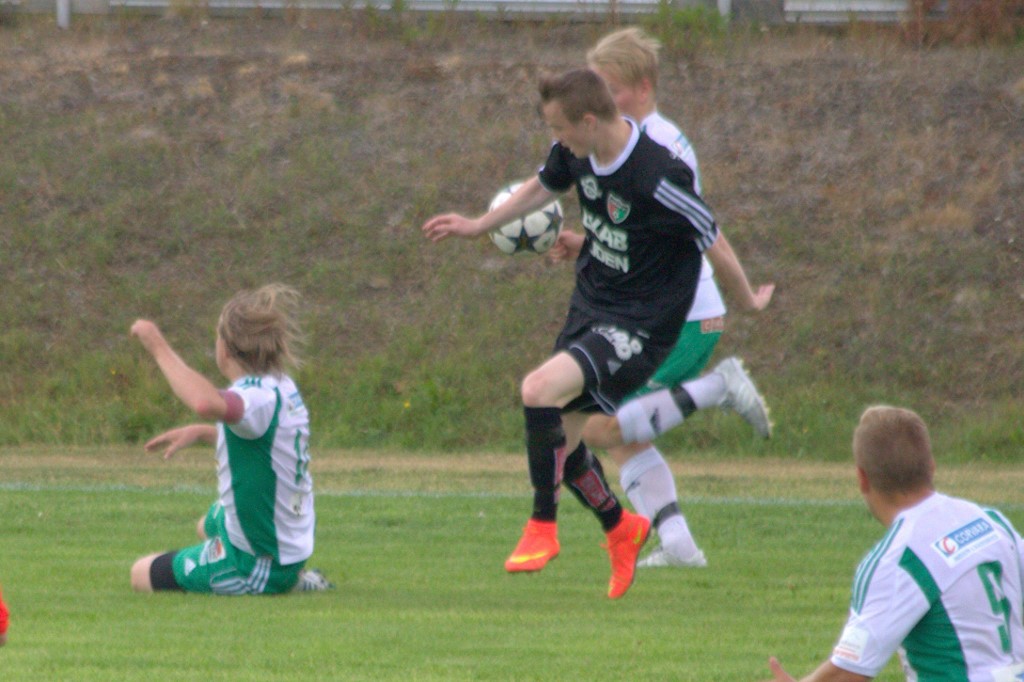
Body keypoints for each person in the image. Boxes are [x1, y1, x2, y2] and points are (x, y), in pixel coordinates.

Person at [422, 68, 767, 599]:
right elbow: (542, 186)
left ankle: (542, 525)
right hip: (592, 303)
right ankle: (620, 526)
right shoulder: (575, 153)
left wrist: (747, 300)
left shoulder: (659, 175)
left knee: (537, 389)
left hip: (642, 323)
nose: (555, 139)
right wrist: (476, 225)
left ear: (588, 121)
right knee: (562, 441)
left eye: (559, 128)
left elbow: (713, 241)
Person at [546, 27, 775, 569]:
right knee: (620, 437)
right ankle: (678, 546)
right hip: (657, 308)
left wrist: (746, 297)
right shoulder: (624, 142)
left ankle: (718, 387)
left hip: (682, 314)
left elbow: (699, 234)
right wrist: (588, 242)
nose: (600, 99)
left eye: (610, 88)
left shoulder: (658, 147)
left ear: (643, 88)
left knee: (598, 424)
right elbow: (644, 235)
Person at [768, 406, 1024, 681]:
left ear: (862, 479)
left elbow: (849, 671)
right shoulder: (990, 521)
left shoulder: (900, 560)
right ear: (931, 467)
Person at [129, 284, 331, 595]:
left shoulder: (253, 397)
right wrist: (204, 433)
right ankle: (288, 572)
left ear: (224, 348)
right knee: (206, 525)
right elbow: (266, 446)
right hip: (286, 539)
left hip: (257, 562)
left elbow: (204, 403)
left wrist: (156, 344)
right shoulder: (280, 387)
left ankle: (290, 581)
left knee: (140, 573)